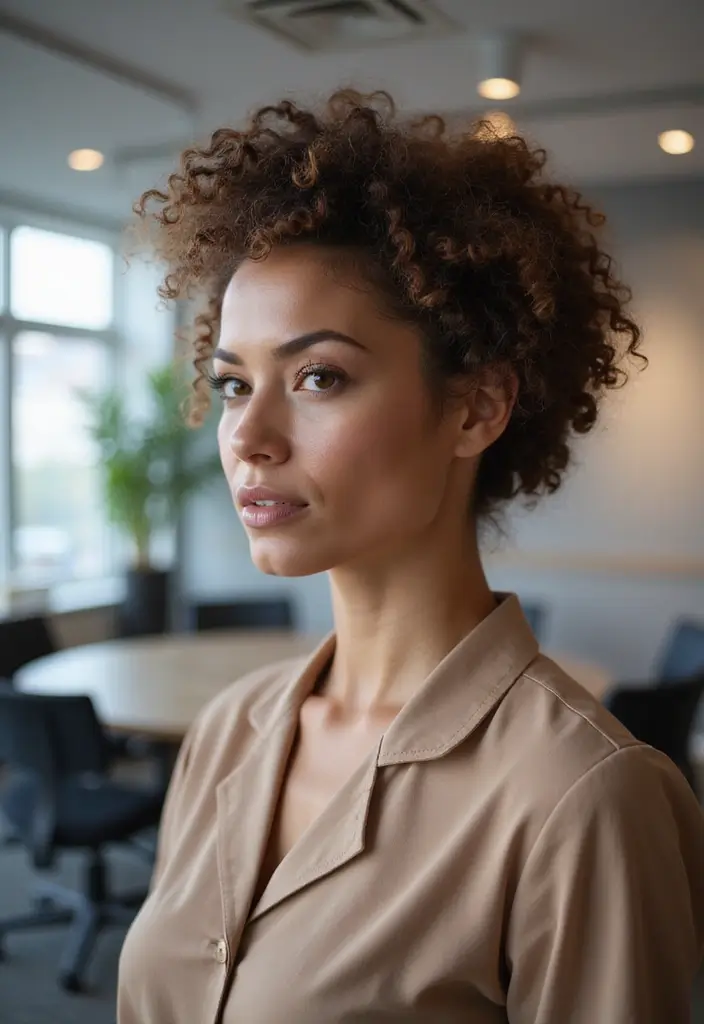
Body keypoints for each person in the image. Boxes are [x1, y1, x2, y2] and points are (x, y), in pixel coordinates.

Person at [117, 90, 704, 1023]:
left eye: (318, 376)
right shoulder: (227, 734)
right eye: (233, 384)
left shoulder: (585, 795)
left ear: (476, 407)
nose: (249, 436)